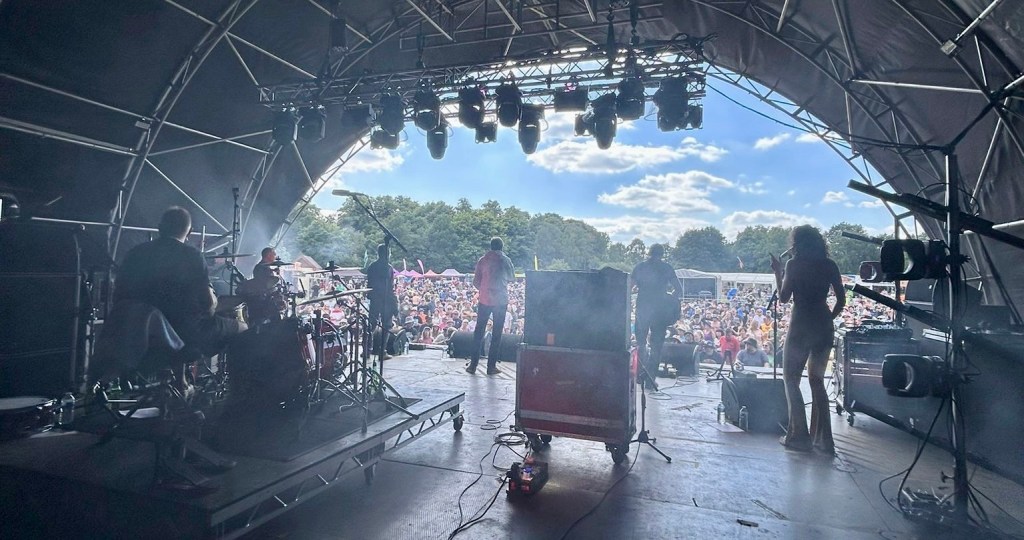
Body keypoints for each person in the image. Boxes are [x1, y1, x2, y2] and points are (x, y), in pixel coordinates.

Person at [114, 206, 246, 359]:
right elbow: (208, 305)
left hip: (137, 332)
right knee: (242, 327)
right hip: (183, 334)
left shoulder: (135, 253)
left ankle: (174, 373)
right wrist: (214, 301)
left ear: (160, 228)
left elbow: (118, 294)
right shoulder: (192, 256)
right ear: (189, 233)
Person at [771, 225, 845, 454]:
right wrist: (827, 319)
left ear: (797, 243)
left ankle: (799, 437)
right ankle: (824, 441)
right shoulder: (830, 265)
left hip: (801, 324)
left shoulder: (794, 264)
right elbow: (841, 301)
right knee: (817, 380)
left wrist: (778, 272)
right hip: (823, 324)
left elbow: (784, 298)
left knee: (791, 379)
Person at [630, 244, 683, 386]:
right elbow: (679, 289)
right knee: (656, 346)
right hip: (661, 311)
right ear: (662, 254)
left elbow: (629, 287)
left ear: (649, 252)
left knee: (640, 344)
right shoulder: (667, 268)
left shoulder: (640, 267)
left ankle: (639, 376)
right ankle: (650, 379)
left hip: (643, 309)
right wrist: (670, 299)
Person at [467, 237, 514, 375]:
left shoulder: (482, 260)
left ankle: (473, 365)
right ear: (501, 247)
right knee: (496, 334)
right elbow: (512, 277)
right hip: (500, 301)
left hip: (484, 299)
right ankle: (491, 367)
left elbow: (476, 282)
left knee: (478, 332)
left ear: (491, 246)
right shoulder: (505, 260)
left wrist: (484, 289)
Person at [365, 243, 398, 356]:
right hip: (385, 299)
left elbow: (369, 283)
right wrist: (394, 303)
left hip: (375, 298)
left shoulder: (372, 266)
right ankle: (382, 351)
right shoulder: (388, 268)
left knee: (371, 325)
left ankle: (367, 350)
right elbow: (390, 287)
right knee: (387, 325)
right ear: (388, 254)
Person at [242, 246, 285, 323]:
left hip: (264, 298)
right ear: (268, 255)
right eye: (274, 254)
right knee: (276, 318)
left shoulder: (263, 267)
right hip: (262, 300)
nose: (275, 256)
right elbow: (264, 285)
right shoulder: (261, 268)